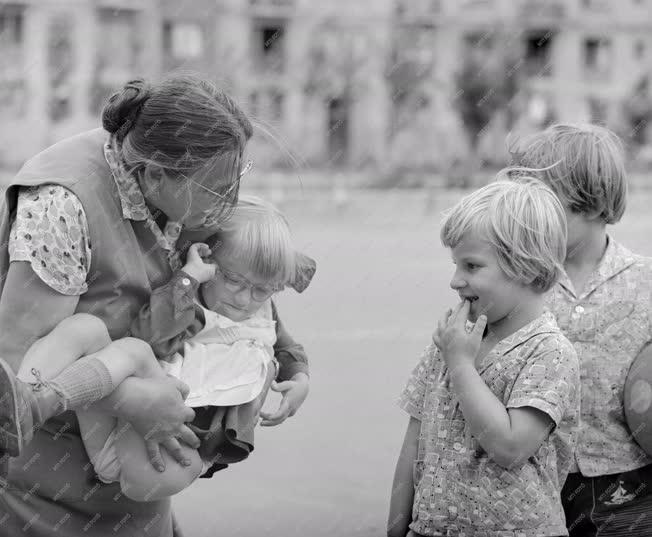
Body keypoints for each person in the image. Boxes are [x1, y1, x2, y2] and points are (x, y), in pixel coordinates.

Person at [0, 74, 307, 536]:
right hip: (42, 486)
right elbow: (17, 356)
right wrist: (135, 399)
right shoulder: (60, 205)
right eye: (219, 189)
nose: (231, 203)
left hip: (140, 471)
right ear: (156, 173)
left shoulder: (186, 193)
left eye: (237, 180)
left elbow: (246, 287)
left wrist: (293, 367)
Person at [1, 195, 313, 504]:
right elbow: (149, 336)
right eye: (233, 281)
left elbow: (287, 347)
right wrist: (188, 281)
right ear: (206, 260)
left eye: (263, 289)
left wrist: (299, 378)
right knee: (85, 327)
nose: (246, 300)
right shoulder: (187, 298)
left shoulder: (261, 311)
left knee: (134, 352)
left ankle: (37, 405)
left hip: (172, 460)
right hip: (122, 429)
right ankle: (23, 398)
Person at [387, 177, 580, 537]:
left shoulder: (549, 352)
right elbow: (415, 438)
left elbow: (509, 446)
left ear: (525, 267)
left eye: (471, 267)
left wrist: (461, 365)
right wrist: (397, 527)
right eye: (456, 265)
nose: (455, 281)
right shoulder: (450, 340)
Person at [514, 123, 652, 537]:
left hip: (631, 489)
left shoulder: (645, 282)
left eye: (545, 200)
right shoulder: (516, 280)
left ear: (590, 204)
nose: (530, 213)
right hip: (535, 487)